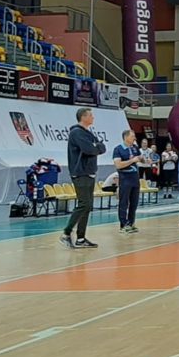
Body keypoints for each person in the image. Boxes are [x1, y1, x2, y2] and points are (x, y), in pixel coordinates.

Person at [60, 107, 107, 250]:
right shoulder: (77, 133)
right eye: (90, 115)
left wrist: (96, 146)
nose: (93, 118)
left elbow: (102, 147)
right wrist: (95, 147)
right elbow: (89, 149)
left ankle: (81, 238)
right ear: (83, 117)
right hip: (81, 172)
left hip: (89, 172)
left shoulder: (88, 133)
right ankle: (66, 233)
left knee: (88, 206)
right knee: (84, 204)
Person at [112, 129, 141, 233]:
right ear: (126, 137)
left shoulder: (135, 148)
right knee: (124, 202)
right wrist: (132, 160)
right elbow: (118, 165)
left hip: (135, 178)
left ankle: (131, 223)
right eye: (132, 136)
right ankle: (123, 225)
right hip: (125, 178)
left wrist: (146, 160)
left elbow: (140, 158)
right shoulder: (118, 149)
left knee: (134, 202)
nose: (134, 138)